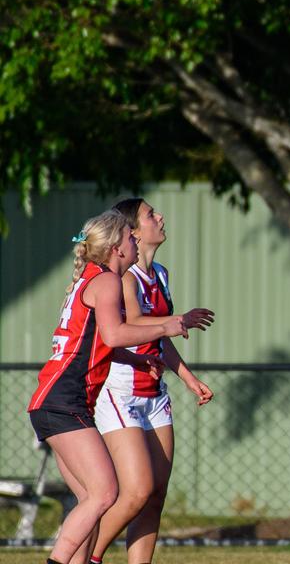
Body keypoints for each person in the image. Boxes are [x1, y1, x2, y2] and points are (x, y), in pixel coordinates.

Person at [27, 210, 207, 564]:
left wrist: (138, 360)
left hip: (55, 401)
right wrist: (168, 326)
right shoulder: (108, 281)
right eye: (129, 235)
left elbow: (98, 344)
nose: (134, 241)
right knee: (106, 493)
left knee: (92, 503)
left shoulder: (93, 278)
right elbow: (114, 334)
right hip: (65, 402)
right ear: (116, 247)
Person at [88, 198, 215, 564]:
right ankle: (88, 556)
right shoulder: (123, 277)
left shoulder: (161, 273)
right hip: (121, 391)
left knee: (156, 493)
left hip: (154, 395)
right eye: (149, 215)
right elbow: (136, 322)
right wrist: (178, 318)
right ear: (132, 231)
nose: (159, 217)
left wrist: (189, 379)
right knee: (136, 491)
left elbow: (161, 337)